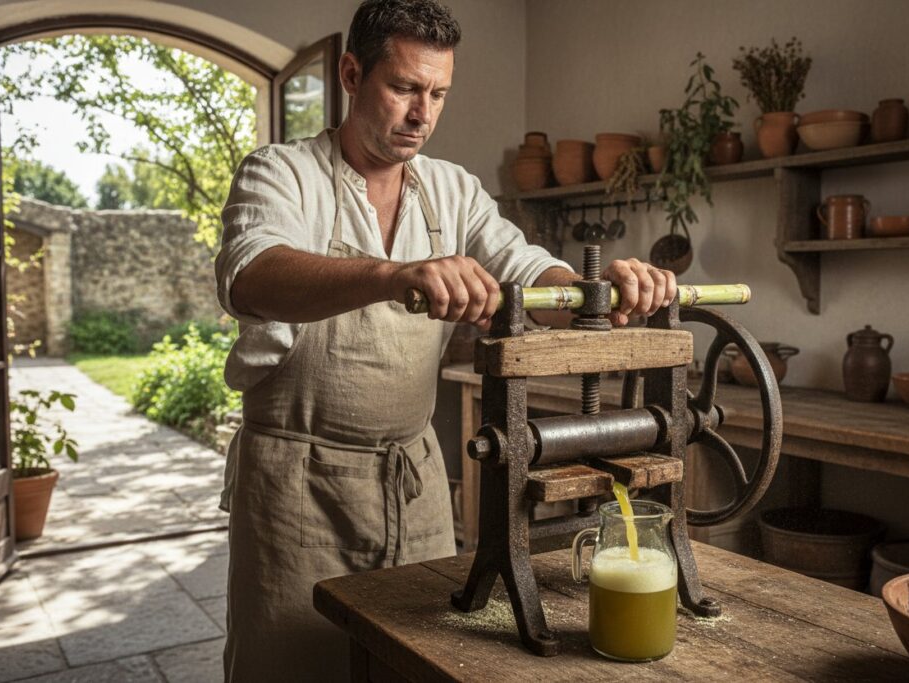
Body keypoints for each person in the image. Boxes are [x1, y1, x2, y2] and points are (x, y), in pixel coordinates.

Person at [214, 0, 676, 679]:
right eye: (404, 87)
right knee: (295, 663)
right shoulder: (281, 174)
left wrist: (601, 290)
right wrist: (393, 273)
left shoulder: (452, 191)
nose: (421, 112)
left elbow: (528, 276)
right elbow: (252, 274)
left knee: (418, 662)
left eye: (437, 93)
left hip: (414, 484)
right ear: (351, 72)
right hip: (297, 490)